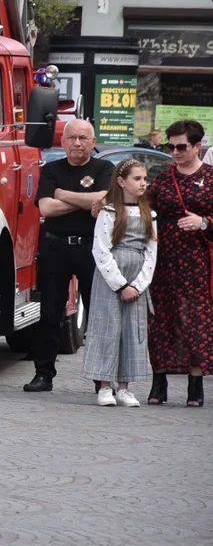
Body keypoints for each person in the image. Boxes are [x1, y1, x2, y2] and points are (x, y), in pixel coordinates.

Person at [26, 119, 113, 393]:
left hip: (91, 248)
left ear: (93, 141)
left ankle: (101, 379)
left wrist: (63, 194)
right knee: (50, 314)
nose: (77, 143)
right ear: (62, 142)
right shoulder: (51, 169)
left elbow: (105, 198)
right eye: (72, 138)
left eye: (84, 138)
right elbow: (46, 209)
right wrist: (86, 201)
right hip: (55, 248)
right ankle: (43, 375)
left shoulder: (104, 168)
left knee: (97, 314)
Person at [143, 119, 213, 407]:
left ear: (197, 146)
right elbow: (142, 208)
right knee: (160, 320)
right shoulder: (162, 179)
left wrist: (204, 222)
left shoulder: (210, 177)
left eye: (180, 146)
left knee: (195, 321)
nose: (174, 151)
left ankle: (195, 385)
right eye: (169, 146)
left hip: (198, 259)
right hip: (163, 257)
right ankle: (158, 383)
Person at [80, 159, 157, 407]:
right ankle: (104, 386)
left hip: (136, 276)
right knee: (107, 328)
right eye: (137, 179)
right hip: (111, 277)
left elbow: (151, 253)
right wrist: (121, 285)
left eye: (145, 178)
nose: (143, 183)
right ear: (122, 182)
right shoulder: (109, 212)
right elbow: (101, 250)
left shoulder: (149, 214)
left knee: (132, 331)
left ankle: (125, 387)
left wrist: (138, 285)